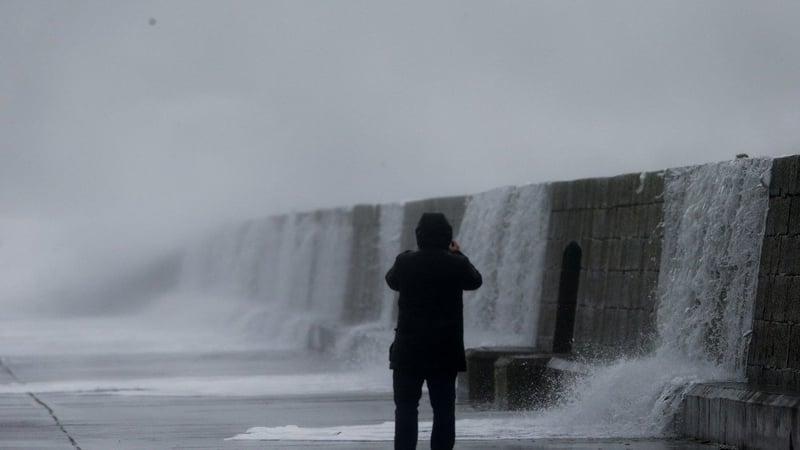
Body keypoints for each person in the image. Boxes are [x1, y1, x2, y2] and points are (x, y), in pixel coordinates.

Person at [385, 212, 483, 450]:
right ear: (448, 237)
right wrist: (456, 252)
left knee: (406, 408)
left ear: (418, 235)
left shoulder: (404, 262)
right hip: (444, 352)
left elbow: (392, 281)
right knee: (444, 410)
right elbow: (475, 281)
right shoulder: (456, 263)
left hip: (408, 352)